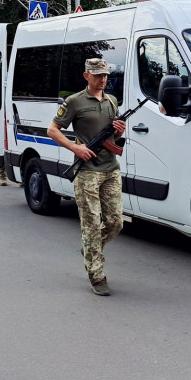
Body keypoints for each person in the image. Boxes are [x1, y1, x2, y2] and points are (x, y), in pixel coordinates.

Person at [47, 57, 128, 296]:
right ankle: (97, 274)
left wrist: (120, 131)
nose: (102, 79)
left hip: (110, 169)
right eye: (97, 75)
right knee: (91, 224)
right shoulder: (74, 101)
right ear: (86, 76)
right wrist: (76, 148)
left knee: (116, 222)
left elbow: (116, 138)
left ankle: (91, 248)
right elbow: (52, 130)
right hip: (87, 173)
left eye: (105, 75)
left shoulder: (112, 100)